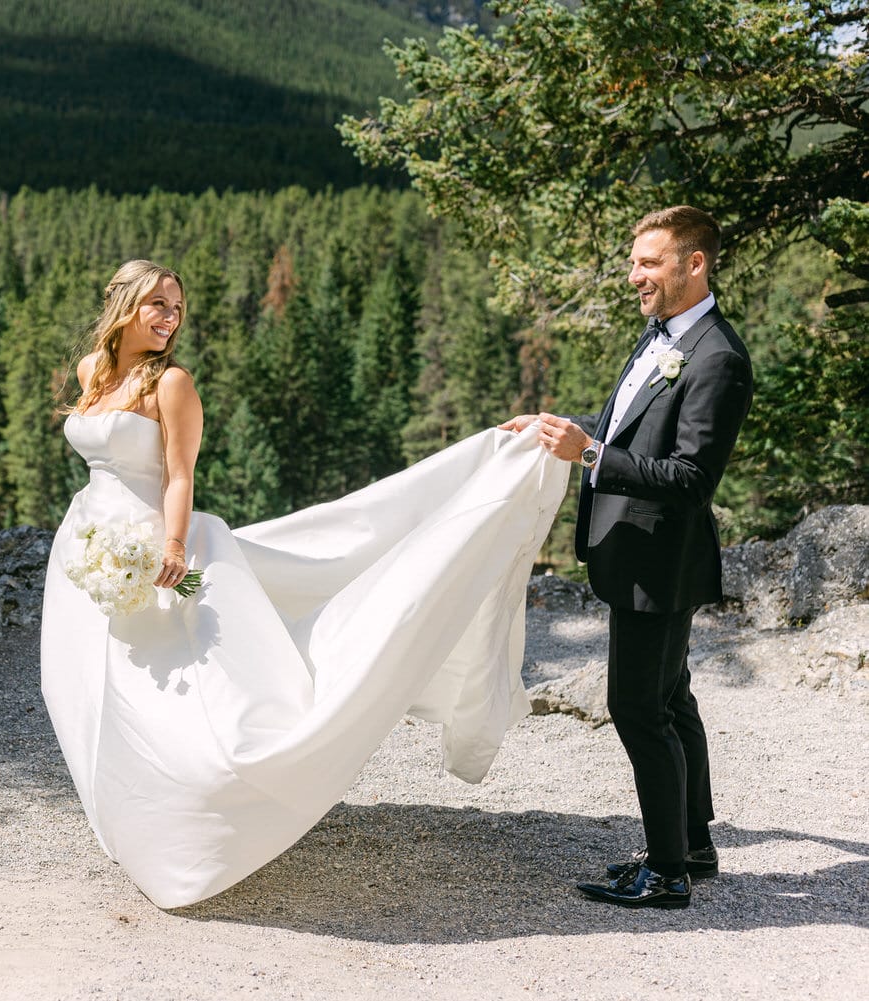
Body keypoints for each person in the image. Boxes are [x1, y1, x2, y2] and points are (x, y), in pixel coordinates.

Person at [41, 259, 569, 908]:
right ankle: (122, 812)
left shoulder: (171, 383)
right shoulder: (93, 372)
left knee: (166, 693)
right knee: (92, 688)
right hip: (89, 547)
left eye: (176, 308)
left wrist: (173, 545)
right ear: (123, 303)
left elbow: (180, 474)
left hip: (151, 550)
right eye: (157, 304)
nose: (168, 317)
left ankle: (187, 828)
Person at [501, 205, 753, 910]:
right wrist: (563, 430)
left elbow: (691, 478)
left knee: (637, 707)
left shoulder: (718, 357)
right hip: (640, 559)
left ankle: (668, 870)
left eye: (649, 262)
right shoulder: (663, 337)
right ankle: (694, 846)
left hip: (659, 563)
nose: (633, 275)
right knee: (673, 697)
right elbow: (626, 431)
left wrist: (587, 454)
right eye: (634, 261)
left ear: (694, 263)